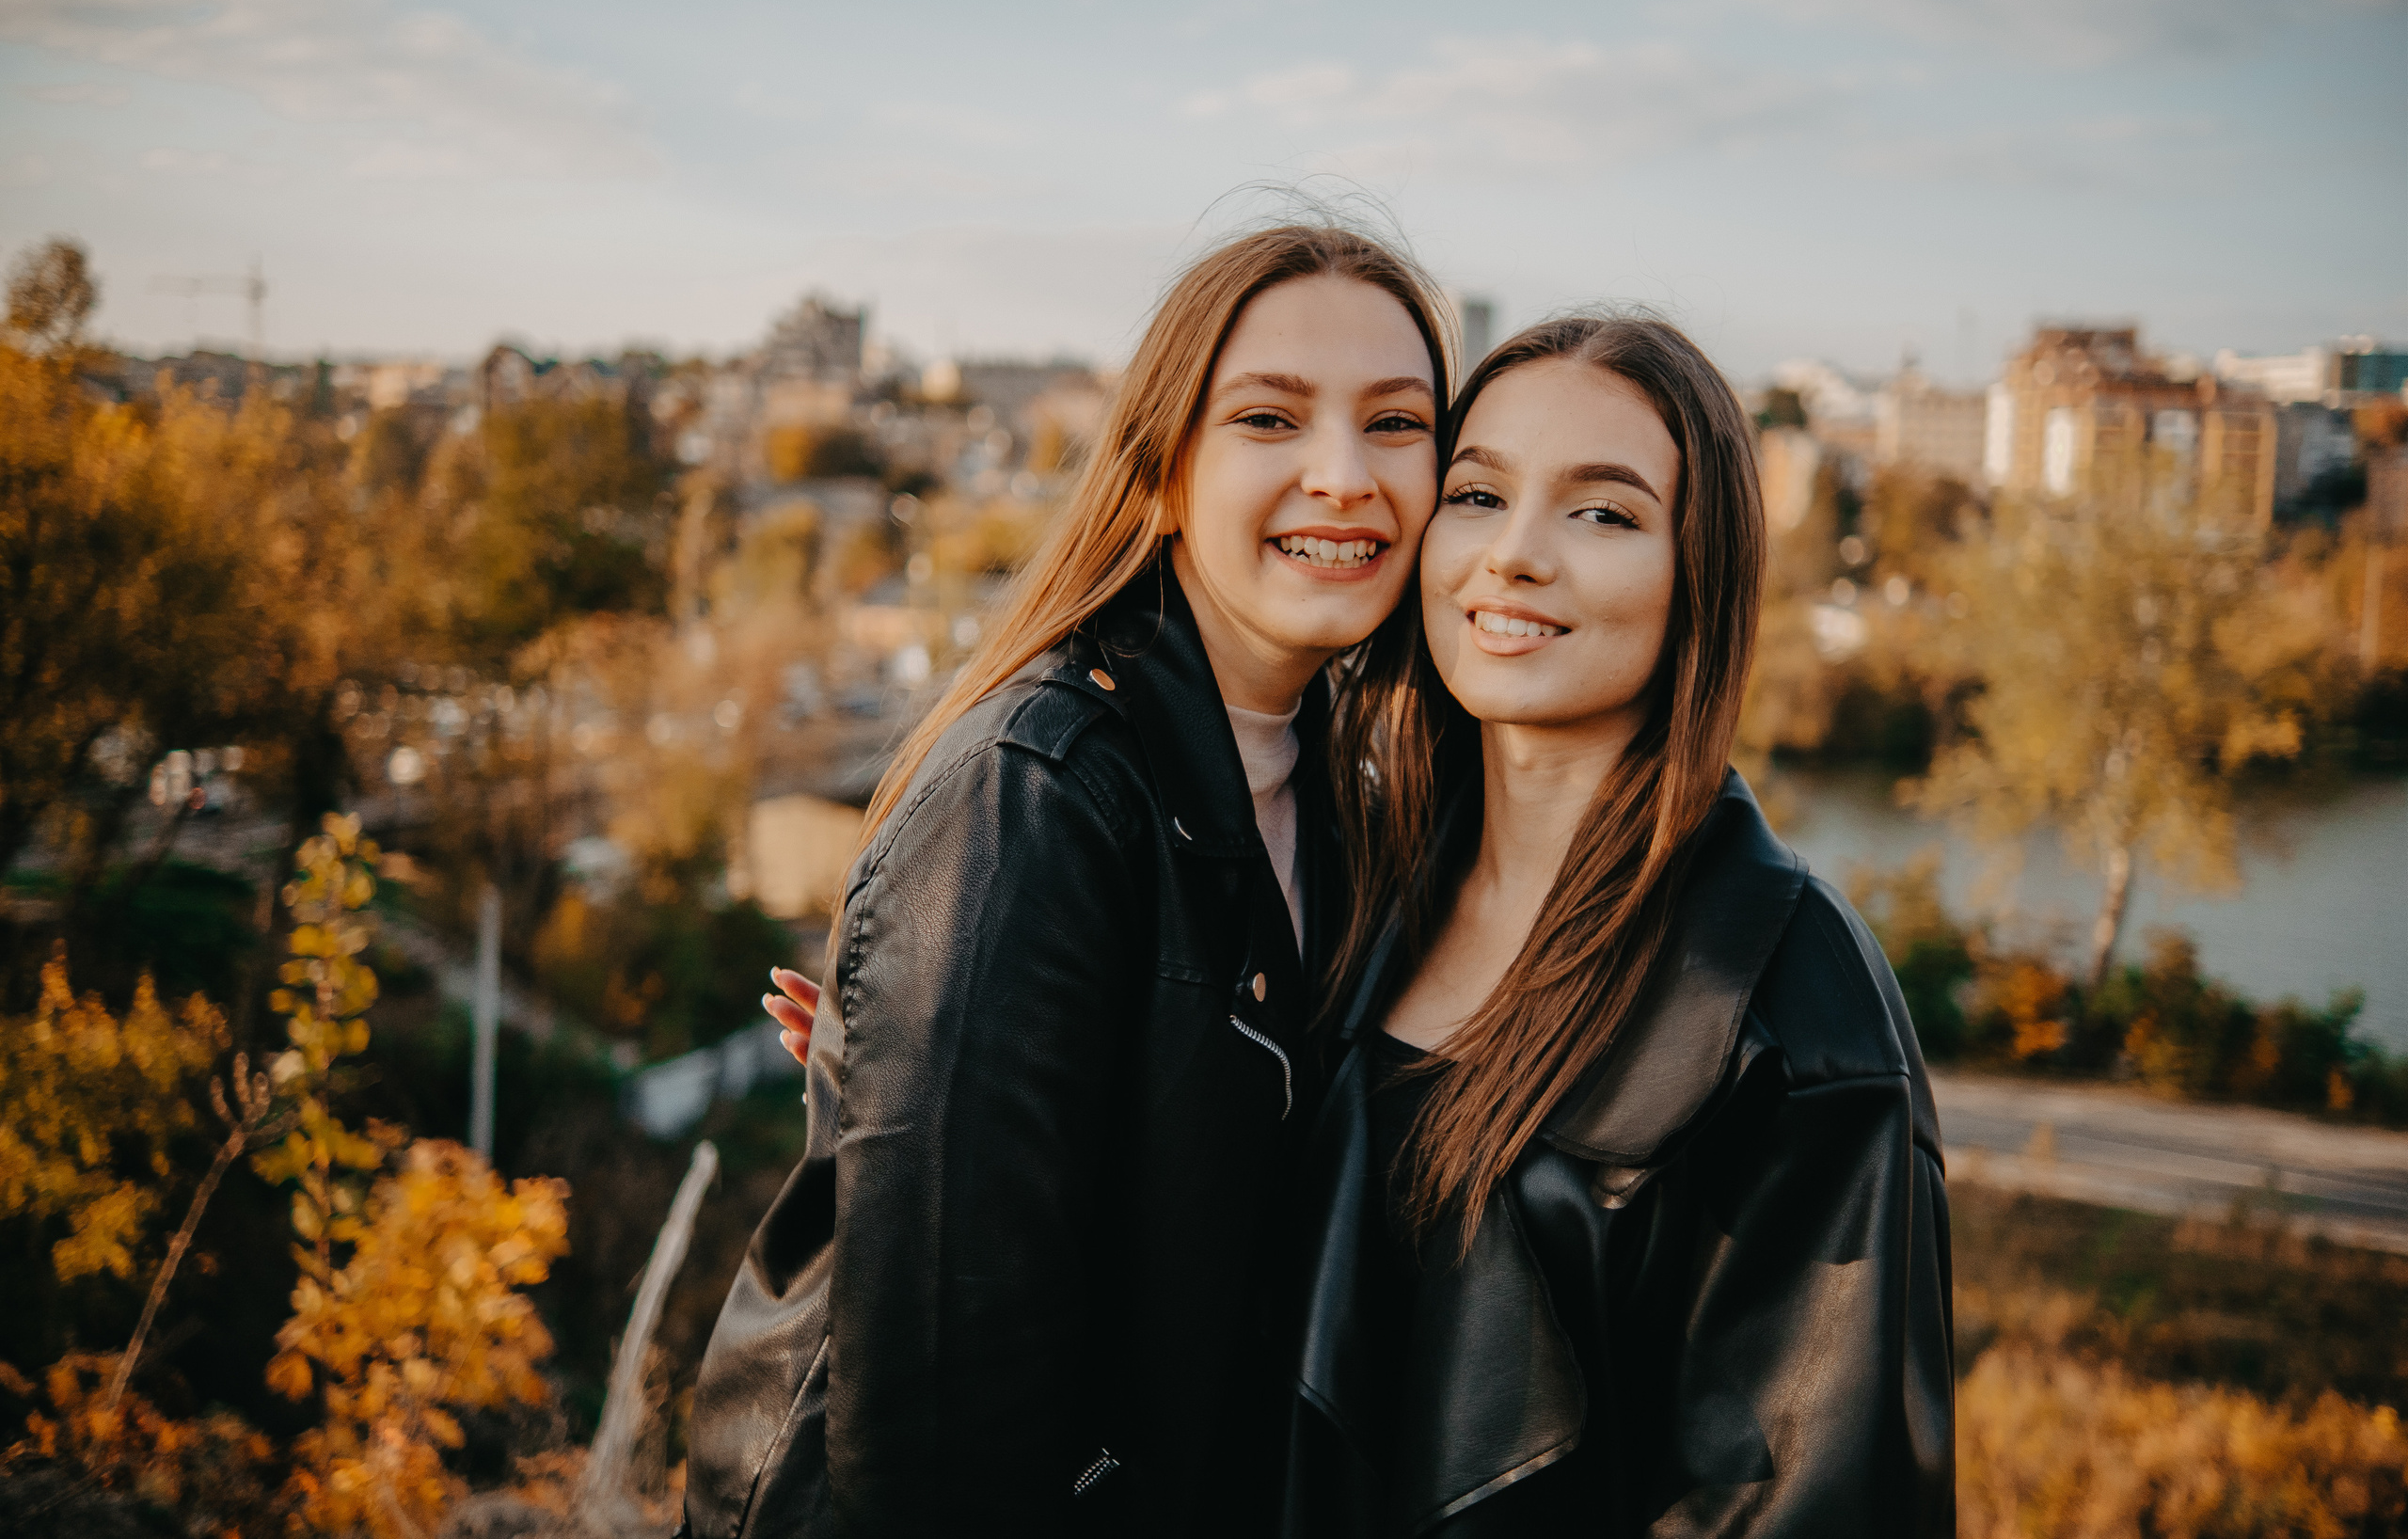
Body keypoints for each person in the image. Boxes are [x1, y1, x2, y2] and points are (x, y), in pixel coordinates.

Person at [679, 223, 1453, 1539]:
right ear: (1161, 472)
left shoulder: (1337, 798)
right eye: (1270, 418)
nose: (1345, 476)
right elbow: (931, 1407)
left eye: (1397, 424)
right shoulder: (1033, 792)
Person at [1281, 317, 1955, 1536]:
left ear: (1697, 577)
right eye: (1479, 494)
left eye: (1604, 513)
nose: (1516, 557)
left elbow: (1810, 1502)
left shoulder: (1784, 1009)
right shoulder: (1351, 887)